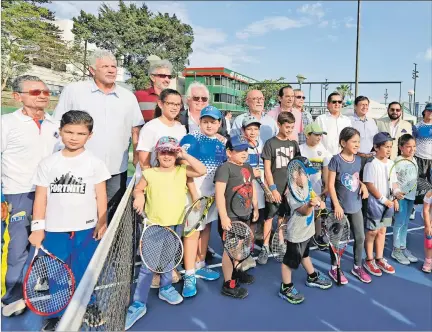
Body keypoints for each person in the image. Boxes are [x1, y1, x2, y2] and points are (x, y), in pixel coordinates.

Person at [29, 111, 111, 330]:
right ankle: (58, 311)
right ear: (60, 132)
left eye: (80, 133)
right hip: (55, 230)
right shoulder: (48, 163)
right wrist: (38, 227)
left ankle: (89, 304)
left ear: (89, 136)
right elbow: (41, 197)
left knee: (84, 270)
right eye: (69, 132)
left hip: (86, 229)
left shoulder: (95, 163)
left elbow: (101, 195)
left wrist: (102, 222)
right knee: (56, 273)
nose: (74, 137)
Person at [125, 136, 206, 330]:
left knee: (170, 259)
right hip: (154, 226)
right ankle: (138, 303)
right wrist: (139, 197)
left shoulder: (182, 171)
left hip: (176, 225)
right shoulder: (149, 173)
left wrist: (184, 154)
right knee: (147, 266)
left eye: (171, 151)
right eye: (163, 151)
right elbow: (138, 190)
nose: (167, 155)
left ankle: (166, 287)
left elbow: (201, 170)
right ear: (157, 154)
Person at [53, 50, 144, 220]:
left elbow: (136, 129)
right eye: (105, 66)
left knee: (109, 216)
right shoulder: (74, 91)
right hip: (78, 168)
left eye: (114, 66)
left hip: (116, 170)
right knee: (78, 213)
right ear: (92, 70)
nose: (111, 70)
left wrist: (137, 156)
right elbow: (57, 124)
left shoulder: (128, 97)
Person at [1, 75, 61, 317]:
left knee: (47, 242)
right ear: (18, 97)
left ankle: (40, 287)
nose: (44, 95)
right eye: (36, 92)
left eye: (46, 91)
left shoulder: (55, 125)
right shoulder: (6, 123)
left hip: (52, 194)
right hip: (18, 193)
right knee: (17, 247)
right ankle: (12, 296)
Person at [136, 88, 186, 287]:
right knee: (154, 237)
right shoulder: (150, 127)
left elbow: (181, 160)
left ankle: (166, 268)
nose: (174, 107)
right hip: (153, 190)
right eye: (170, 103)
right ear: (161, 104)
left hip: (174, 190)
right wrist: (148, 187)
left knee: (172, 234)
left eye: (177, 104)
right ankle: (155, 272)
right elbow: (143, 159)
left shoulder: (181, 129)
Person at [179, 106, 226, 298]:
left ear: (219, 124)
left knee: (205, 228)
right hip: (194, 196)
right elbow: (182, 167)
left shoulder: (222, 143)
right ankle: (189, 274)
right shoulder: (191, 138)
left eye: (213, 122)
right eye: (205, 121)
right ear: (199, 122)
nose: (209, 125)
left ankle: (200, 264)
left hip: (212, 197)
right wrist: (194, 194)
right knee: (192, 233)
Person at [278, 157, 332, 305]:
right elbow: (304, 211)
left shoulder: (306, 184)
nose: (307, 176)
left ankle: (312, 276)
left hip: (307, 231)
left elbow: (313, 195)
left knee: (305, 254)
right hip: (296, 234)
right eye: (304, 173)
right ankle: (286, 287)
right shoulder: (291, 193)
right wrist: (310, 205)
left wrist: (319, 202)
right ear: (294, 175)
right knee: (289, 262)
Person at [215, 135, 259, 299]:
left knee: (240, 247)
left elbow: (251, 186)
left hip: (244, 215)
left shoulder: (247, 166)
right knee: (230, 250)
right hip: (231, 217)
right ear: (229, 152)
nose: (244, 153)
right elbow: (219, 195)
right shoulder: (225, 168)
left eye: (246, 150)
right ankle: (228, 283)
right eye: (239, 150)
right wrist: (224, 217)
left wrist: (255, 206)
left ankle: (237, 271)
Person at [327, 127, 371, 284]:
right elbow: (331, 185)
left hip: (356, 207)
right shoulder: (335, 160)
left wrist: (363, 185)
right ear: (343, 142)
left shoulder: (358, 160)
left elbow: (354, 178)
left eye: (358, 141)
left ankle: (357, 266)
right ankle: (334, 268)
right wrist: (337, 206)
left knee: (360, 237)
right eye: (354, 141)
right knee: (336, 239)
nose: (357, 144)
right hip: (340, 209)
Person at [258, 112, 300, 265]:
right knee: (269, 218)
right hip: (274, 188)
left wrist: (292, 186)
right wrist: (273, 189)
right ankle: (265, 246)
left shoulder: (294, 144)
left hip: (288, 189)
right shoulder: (270, 143)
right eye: (287, 127)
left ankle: (281, 243)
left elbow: (296, 168)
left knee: (283, 218)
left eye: (292, 127)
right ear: (279, 124)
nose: (289, 130)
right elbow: (267, 170)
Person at [363, 132, 398, 277]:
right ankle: (369, 259)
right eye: (386, 147)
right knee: (372, 232)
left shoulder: (391, 163)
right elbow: (370, 185)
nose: (389, 150)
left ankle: (379, 258)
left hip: (388, 203)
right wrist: (384, 200)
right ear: (376, 148)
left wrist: (396, 194)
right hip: (375, 204)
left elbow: (394, 183)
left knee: (382, 231)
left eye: (390, 146)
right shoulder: (371, 164)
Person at [299, 123, 332, 249]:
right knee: (304, 213)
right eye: (316, 135)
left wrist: (326, 186)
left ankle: (317, 237)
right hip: (302, 190)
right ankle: (303, 238)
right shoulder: (300, 149)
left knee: (317, 214)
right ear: (307, 135)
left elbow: (325, 170)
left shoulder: (323, 150)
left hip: (318, 190)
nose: (319, 137)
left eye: (321, 135)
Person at [241, 115, 266, 271]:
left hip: (260, 190)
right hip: (246, 188)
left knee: (256, 219)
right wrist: (251, 173)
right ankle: (244, 252)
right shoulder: (241, 146)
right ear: (243, 130)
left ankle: (249, 249)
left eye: (255, 129)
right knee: (246, 219)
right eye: (249, 129)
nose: (252, 132)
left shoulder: (261, 143)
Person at [391, 134, 419, 265]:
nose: (412, 149)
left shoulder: (414, 160)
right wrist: (395, 198)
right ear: (401, 147)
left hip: (410, 197)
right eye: (408, 147)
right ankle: (396, 250)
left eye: (414, 146)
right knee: (399, 223)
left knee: (406, 223)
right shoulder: (398, 161)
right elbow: (393, 181)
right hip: (401, 198)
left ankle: (403, 247)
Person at [349, 96, 379, 165]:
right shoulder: (349, 121)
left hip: (371, 158)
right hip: (355, 157)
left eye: (366, 105)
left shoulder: (372, 121)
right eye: (362, 105)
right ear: (355, 106)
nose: (365, 107)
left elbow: (376, 139)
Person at [413, 103, 432, 183]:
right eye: (429, 110)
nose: (430, 112)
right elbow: (412, 142)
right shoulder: (417, 126)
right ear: (424, 111)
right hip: (419, 158)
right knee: (421, 184)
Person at [422, 189, 432, 273]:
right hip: (429, 218)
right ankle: (428, 261)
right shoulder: (429, 194)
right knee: (429, 241)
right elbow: (426, 210)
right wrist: (428, 226)